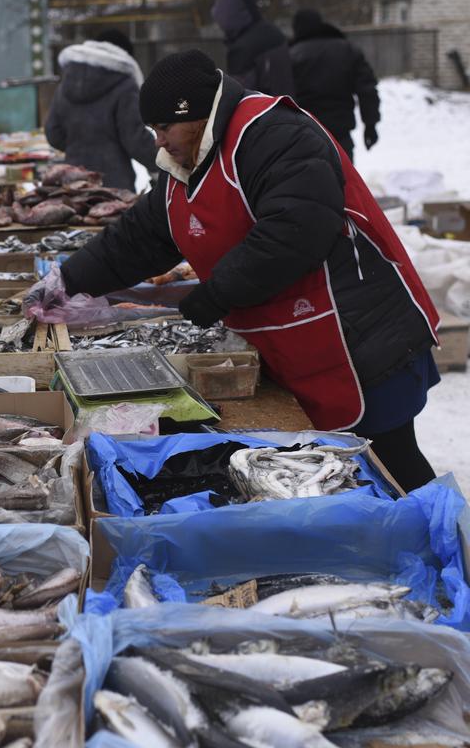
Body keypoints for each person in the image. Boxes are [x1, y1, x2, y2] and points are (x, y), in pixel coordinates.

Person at [35, 50, 440, 491]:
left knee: (392, 461)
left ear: (195, 115)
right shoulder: (186, 165)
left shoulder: (274, 133)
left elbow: (296, 229)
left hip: (364, 338)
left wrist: (215, 295)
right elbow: (140, 237)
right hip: (301, 342)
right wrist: (69, 279)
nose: (158, 141)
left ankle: (447, 549)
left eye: (163, 128)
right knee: (340, 473)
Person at [45, 36, 158, 191]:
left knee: (77, 214)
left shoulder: (66, 84)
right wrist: (160, 165)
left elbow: (53, 133)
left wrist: (78, 148)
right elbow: (135, 138)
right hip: (114, 183)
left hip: (72, 181)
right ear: (124, 56)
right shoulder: (124, 84)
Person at [290, 8, 381, 160]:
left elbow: (281, 93)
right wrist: (370, 124)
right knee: (345, 179)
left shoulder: (291, 55)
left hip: (304, 132)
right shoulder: (347, 50)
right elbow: (367, 90)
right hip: (341, 134)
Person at [211, 0, 295, 96]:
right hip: (289, 107)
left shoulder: (242, 48)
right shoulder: (273, 32)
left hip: (264, 111)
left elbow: (240, 96)